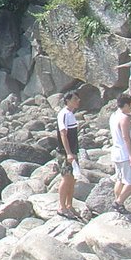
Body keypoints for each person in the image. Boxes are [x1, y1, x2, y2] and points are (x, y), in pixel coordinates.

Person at [110, 94, 131, 213]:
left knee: (120, 180)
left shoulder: (113, 116)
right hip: (125, 154)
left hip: (117, 153)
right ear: (126, 104)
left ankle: (118, 203)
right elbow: (126, 137)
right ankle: (118, 202)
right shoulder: (125, 118)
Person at [56, 91, 82, 220]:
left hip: (73, 152)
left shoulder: (71, 114)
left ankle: (69, 205)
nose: (78, 101)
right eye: (75, 99)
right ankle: (61, 207)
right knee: (66, 178)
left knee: (73, 179)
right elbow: (63, 134)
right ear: (68, 100)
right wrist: (68, 153)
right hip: (65, 153)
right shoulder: (64, 114)